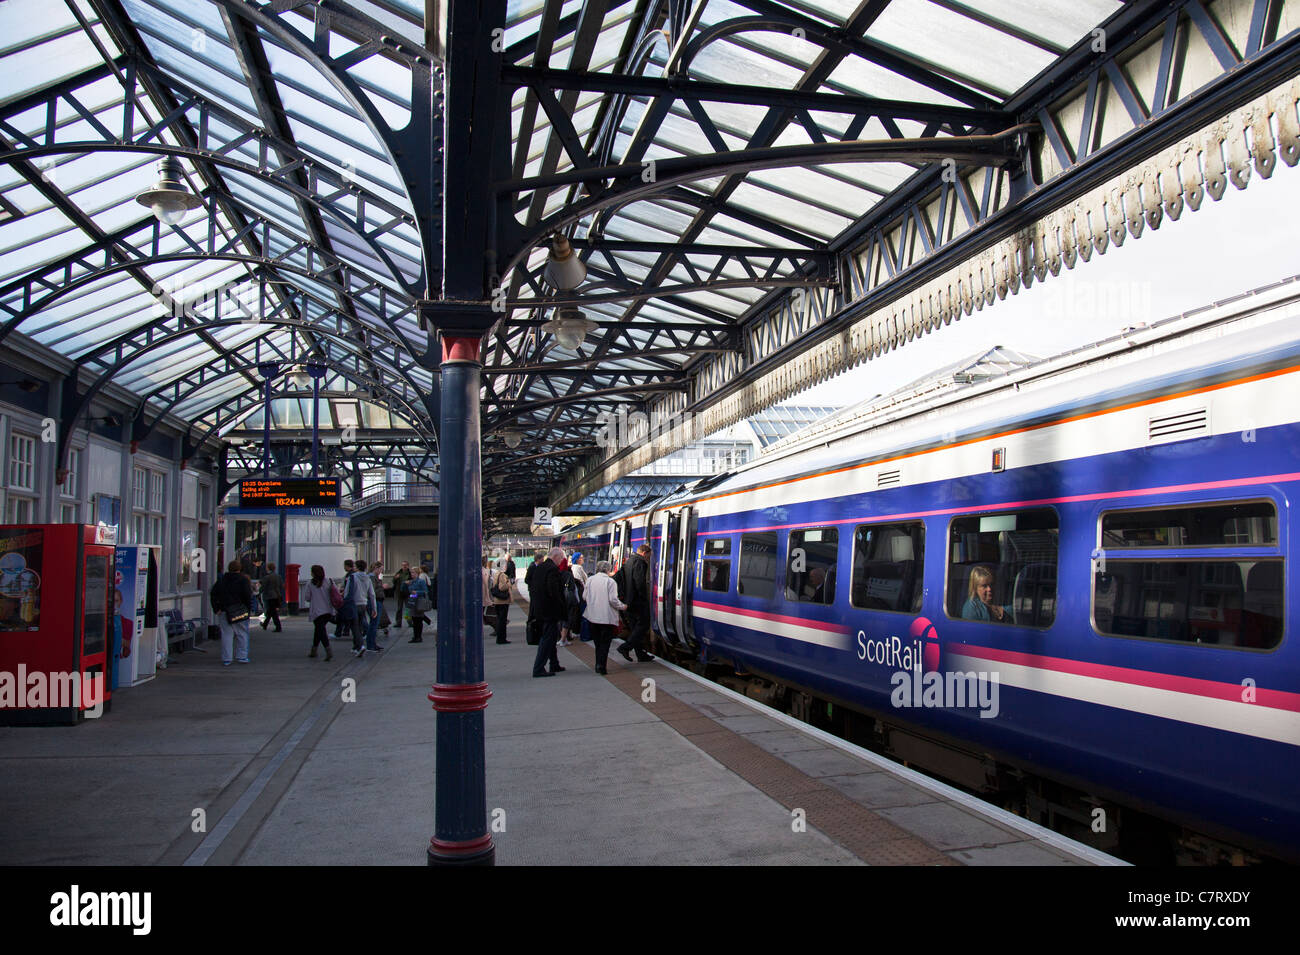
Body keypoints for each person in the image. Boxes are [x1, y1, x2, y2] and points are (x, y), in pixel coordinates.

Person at [583, 560, 626, 675]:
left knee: (597, 643)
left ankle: (598, 664)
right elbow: (613, 600)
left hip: (592, 617)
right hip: (606, 618)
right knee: (605, 643)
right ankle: (602, 666)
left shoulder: (590, 580)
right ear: (607, 569)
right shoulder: (610, 582)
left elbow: (584, 596)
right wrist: (623, 606)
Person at [530, 547, 567, 678]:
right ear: (556, 557)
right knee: (547, 638)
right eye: (561, 558)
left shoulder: (540, 567)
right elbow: (554, 592)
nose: (561, 561)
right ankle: (538, 668)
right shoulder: (552, 570)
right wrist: (561, 607)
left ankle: (554, 663)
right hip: (550, 611)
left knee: (550, 637)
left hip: (540, 609)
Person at [211, 559, 253, 666]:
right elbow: (247, 596)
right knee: (242, 634)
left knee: (227, 635)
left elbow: (213, 594)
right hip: (240, 610)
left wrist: (217, 608)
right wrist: (248, 609)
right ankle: (242, 656)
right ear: (239, 568)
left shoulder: (222, 580)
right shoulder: (243, 580)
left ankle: (227, 658)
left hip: (225, 610)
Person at [617, 543, 654, 663]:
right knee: (644, 624)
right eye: (648, 556)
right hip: (637, 601)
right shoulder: (640, 562)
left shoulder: (629, 561)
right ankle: (625, 647)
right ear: (644, 553)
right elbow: (639, 582)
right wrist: (644, 597)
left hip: (627, 600)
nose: (648, 559)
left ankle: (640, 654)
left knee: (634, 628)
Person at [345, 559, 378, 656]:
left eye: (355, 566)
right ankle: (355, 646)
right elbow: (372, 594)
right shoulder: (367, 578)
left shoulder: (352, 577)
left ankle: (360, 646)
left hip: (354, 604)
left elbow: (347, 592)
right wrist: (374, 608)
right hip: (364, 604)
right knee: (359, 624)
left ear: (357, 567)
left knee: (354, 626)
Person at [304, 565, 335, 661]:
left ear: (313, 573)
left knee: (321, 631)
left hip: (317, 611)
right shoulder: (329, 581)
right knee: (319, 630)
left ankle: (328, 650)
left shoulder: (310, 583)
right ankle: (314, 650)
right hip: (328, 610)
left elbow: (307, 598)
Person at [485, 558, 512, 644]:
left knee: (500, 619)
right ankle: (502, 638)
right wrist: (509, 584)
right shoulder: (502, 575)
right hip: (503, 601)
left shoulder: (496, 574)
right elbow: (502, 587)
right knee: (502, 620)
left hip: (497, 600)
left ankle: (500, 638)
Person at [406, 565, 433, 643]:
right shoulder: (411, 581)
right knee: (414, 619)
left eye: (413, 573)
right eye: (411, 573)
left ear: (417, 573)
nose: (412, 574)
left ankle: (419, 636)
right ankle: (415, 636)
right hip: (413, 600)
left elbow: (425, 591)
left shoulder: (421, 581)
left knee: (419, 620)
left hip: (419, 600)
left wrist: (417, 592)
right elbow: (410, 591)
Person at [259, 563, 284, 632]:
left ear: (268, 568)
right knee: (271, 611)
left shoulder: (267, 577)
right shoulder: (278, 576)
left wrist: (259, 592)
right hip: (277, 595)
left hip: (269, 596)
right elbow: (282, 586)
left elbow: (263, 587)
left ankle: (278, 626)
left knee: (273, 612)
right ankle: (265, 624)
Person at [335, 559, 355, 640]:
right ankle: (344, 631)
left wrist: (342, 594)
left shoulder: (350, 575)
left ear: (347, 566)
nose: (344, 567)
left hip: (347, 598)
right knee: (347, 615)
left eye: (344, 566)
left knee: (342, 614)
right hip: (351, 599)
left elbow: (347, 587)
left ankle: (339, 632)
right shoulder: (351, 574)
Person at [393, 561, 413, 629]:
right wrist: (395, 578)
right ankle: (398, 622)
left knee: (408, 608)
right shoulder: (398, 573)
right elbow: (393, 582)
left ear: (408, 566)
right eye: (403, 565)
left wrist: (410, 582)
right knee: (399, 608)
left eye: (405, 565)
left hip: (407, 593)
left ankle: (409, 621)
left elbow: (413, 581)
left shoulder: (410, 573)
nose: (404, 566)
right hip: (399, 593)